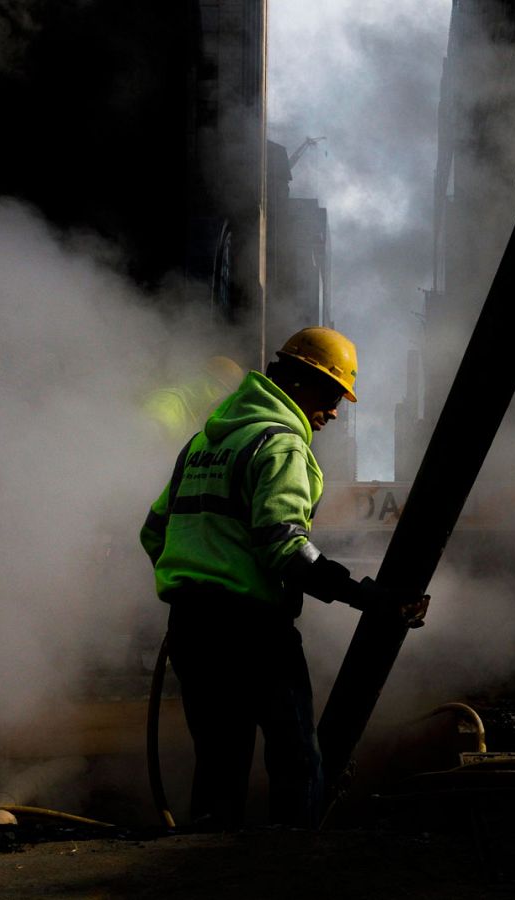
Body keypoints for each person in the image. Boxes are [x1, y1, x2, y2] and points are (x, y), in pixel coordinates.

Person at [139, 326, 426, 828]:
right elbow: (283, 547)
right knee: (297, 760)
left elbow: (154, 532)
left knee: (219, 766)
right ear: (300, 382)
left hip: (190, 629)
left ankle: (204, 875)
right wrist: (367, 597)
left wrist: (197, 578)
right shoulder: (282, 446)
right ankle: (296, 873)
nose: (336, 411)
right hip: (251, 633)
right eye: (334, 394)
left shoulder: (202, 445)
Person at [143, 355, 246, 443]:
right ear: (214, 388)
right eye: (226, 395)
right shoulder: (168, 404)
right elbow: (143, 444)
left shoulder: (195, 412)